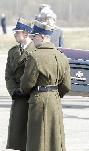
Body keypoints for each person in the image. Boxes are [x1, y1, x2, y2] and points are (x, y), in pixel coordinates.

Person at [20, 21, 71, 151]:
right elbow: (66, 85)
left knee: (37, 139)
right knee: (55, 138)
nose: (31, 38)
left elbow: (27, 84)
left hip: (38, 99)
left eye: (34, 36)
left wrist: (27, 92)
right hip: (55, 99)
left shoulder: (35, 56)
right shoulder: (62, 56)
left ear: (42, 37)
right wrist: (55, 94)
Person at [5, 18, 35, 151]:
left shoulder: (36, 50)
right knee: (18, 132)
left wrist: (27, 89)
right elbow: (9, 75)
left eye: (18, 32)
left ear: (26, 34)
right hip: (18, 96)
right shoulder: (12, 52)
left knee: (32, 133)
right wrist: (13, 91)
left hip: (31, 95)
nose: (15, 34)